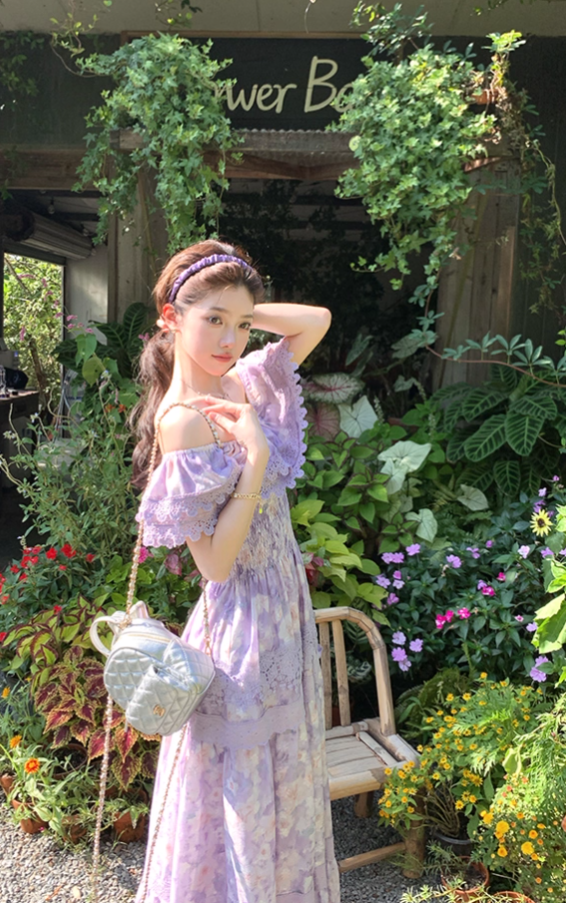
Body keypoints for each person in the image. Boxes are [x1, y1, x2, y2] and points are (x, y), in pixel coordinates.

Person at [131, 239, 341, 903]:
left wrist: (236, 305)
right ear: (171, 319)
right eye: (212, 320)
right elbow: (216, 564)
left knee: (286, 789)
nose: (229, 339)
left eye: (241, 324)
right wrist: (254, 459)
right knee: (242, 805)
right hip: (241, 633)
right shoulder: (184, 423)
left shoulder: (241, 381)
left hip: (283, 618)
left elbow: (315, 321)